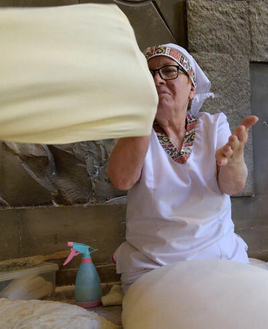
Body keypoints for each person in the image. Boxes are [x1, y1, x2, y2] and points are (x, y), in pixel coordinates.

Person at [108, 43, 259, 289]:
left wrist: (235, 160)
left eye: (168, 71)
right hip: (153, 265)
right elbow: (122, 180)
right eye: (149, 74)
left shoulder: (213, 124)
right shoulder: (135, 131)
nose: (157, 80)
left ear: (191, 88)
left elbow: (232, 186)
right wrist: (143, 113)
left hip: (219, 257)